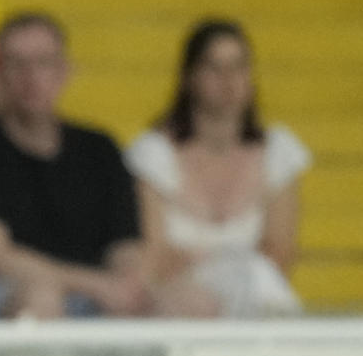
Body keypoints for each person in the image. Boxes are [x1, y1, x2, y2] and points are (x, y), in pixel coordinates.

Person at [0, 13, 148, 319]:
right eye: (17, 64)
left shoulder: (100, 148)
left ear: (64, 71)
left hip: (91, 291)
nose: (31, 77)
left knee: (181, 300)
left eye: (43, 63)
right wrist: (97, 285)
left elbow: (126, 244)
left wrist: (128, 285)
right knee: (40, 300)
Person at [125, 20, 309, 319]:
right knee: (251, 279)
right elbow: (155, 256)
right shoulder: (154, 154)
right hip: (178, 303)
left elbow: (280, 253)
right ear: (189, 77)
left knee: (255, 276)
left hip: (253, 300)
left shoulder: (278, 152)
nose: (229, 81)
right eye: (214, 68)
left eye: (238, 67)